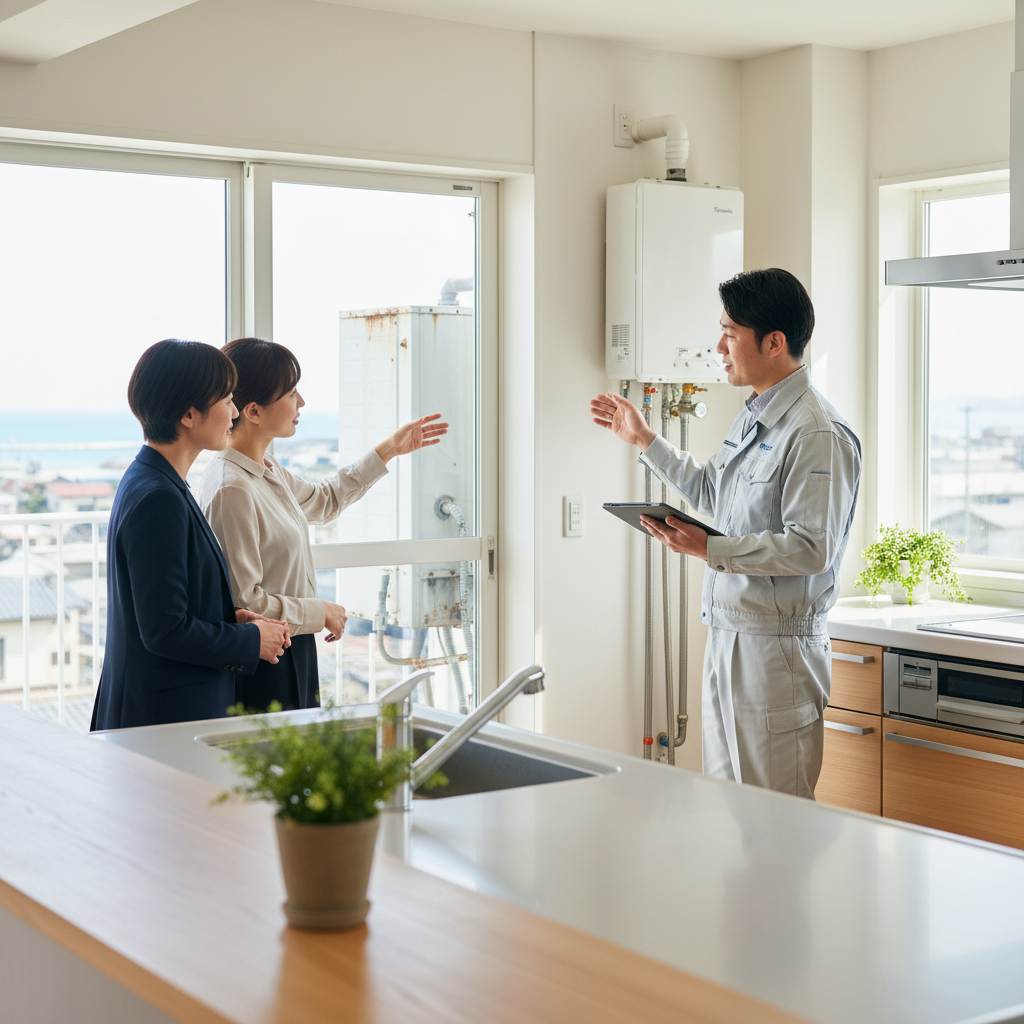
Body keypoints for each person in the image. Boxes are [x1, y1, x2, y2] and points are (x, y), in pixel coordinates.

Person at [591, 268, 861, 799]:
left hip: (777, 652)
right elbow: (712, 492)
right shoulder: (755, 416)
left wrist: (709, 548)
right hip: (727, 637)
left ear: (774, 342)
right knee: (728, 811)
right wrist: (645, 439)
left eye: (730, 333)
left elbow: (812, 548)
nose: (719, 347)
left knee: (776, 819)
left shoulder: (815, 433)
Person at [197, 337, 448, 712]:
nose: (301, 402)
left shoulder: (264, 467)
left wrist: (390, 449)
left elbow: (324, 501)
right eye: (291, 393)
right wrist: (319, 612)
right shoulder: (231, 489)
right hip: (265, 657)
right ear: (253, 411)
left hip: (291, 644)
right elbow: (245, 601)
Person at [91, 340, 291, 732]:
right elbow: (164, 631)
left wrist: (230, 621)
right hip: (161, 721)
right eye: (227, 400)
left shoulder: (156, 480)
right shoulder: (159, 497)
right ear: (189, 414)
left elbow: (165, 605)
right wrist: (251, 642)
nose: (235, 413)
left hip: (162, 711)